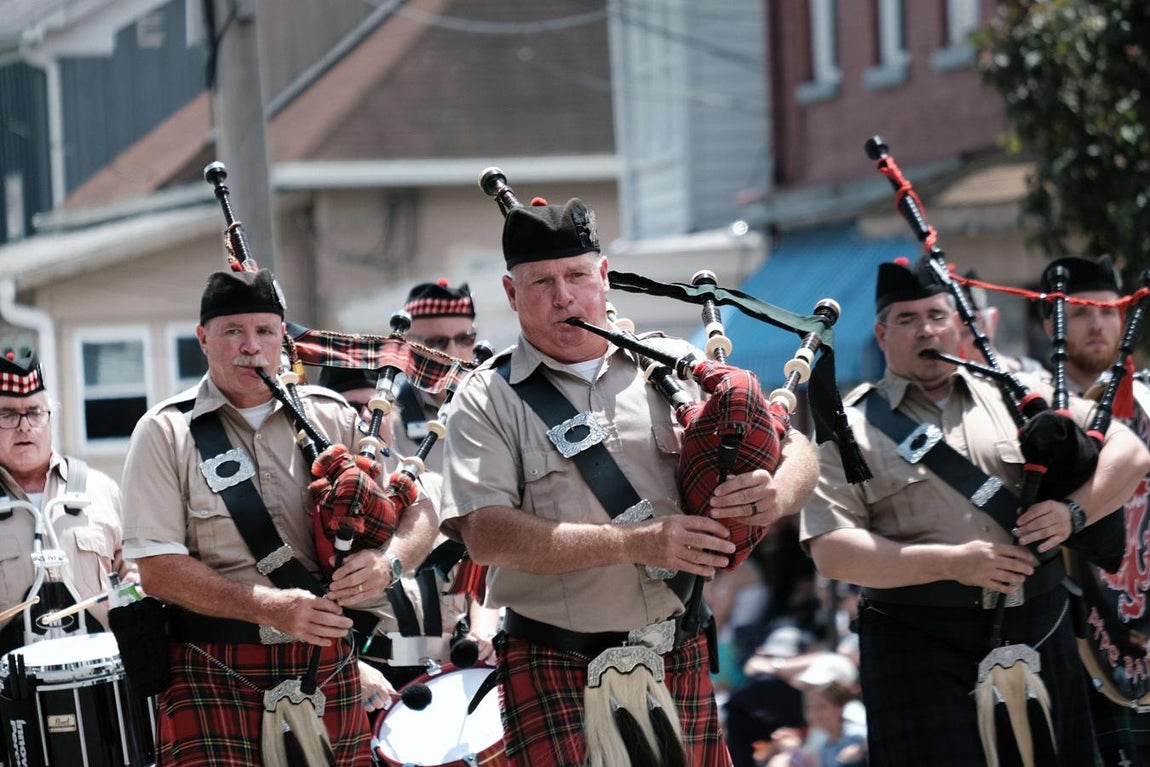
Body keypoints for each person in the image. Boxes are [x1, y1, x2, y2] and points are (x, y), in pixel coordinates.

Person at [441, 196, 821, 766]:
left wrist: (775, 494)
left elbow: (798, 448)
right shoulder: (485, 398)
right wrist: (635, 543)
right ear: (511, 293)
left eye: (576, 276)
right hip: (554, 663)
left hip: (676, 651)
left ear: (604, 278)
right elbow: (487, 535)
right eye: (540, 282)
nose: (563, 297)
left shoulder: (676, 366)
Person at [803, 256, 1150, 766]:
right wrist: (951, 563)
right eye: (907, 319)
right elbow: (832, 551)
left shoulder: (1013, 394)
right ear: (882, 335)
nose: (926, 329)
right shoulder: (848, 426)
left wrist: (1072, 514)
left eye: (937, 316)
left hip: (1040, 622)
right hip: (918, 637)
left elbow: (1130, 451)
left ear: (958, 327)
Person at [121, 267, 437, 766]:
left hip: (325, 664)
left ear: (283, 339)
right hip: (212, 666)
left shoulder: (331, 417)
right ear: (203, 338)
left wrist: (389, 564)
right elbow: (158, 570)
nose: (252, 346)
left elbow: (418, 508)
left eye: (265, 331)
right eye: (233, 332)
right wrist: (269, 607)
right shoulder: (165, 433)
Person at [1040, 254, 1150, 766]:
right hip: (1076, 639)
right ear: (1052, 324)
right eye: (1081, 312)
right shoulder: (1035, 411)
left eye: (1108, 311)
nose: (1098, 324)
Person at [0, 347, 132, 653]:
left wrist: (136, 589)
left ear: (49, 418)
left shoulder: (100, 490)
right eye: (7, 415)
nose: (24, 426)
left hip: (103, 682)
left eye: (34, 413)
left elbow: (134, 575)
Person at [390, 279, 479, 469]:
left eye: (464, 339)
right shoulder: (390, 420)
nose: (453, 353)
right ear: (408, 345)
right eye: (437, 342)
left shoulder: (497, 404)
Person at [955, 268, 1045, 374]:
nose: (974, 339)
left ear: (993, 319)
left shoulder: (1029, 371)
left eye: (978, 326)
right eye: (964, 333)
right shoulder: (952, 382)